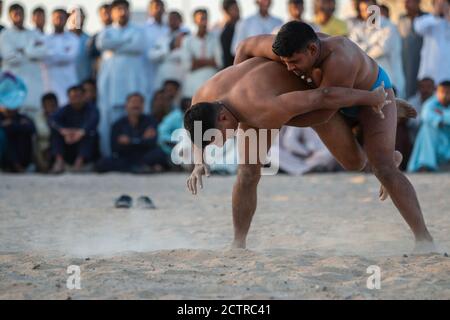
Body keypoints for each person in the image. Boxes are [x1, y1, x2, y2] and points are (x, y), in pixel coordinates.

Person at [216, 21, 435, 251]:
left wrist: (267, 114)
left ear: (312, 50)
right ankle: (238, 242)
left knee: (384, 168)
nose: (289, 68)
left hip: (369, 97)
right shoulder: (279, 46)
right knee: (251, 169)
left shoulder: (341, 57)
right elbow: (243, 48)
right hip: (317, 99)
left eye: (294, 62)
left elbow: (323, 112)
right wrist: (242, 89)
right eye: (285, 62)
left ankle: (424, 239)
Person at [96, 0, 147, 156]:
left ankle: (134, 155)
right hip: (110, 86)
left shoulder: (138, 31)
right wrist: (125, 43)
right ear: (112, 13)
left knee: (133, 118)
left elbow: (137, 46)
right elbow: (101, 44)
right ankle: (109, 154)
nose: (122, 12)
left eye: (125, 9)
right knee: (108, 120)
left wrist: (114, 46)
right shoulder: (106, 31)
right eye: (118, 9)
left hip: (132, 83)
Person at [96, 93, 167, 173]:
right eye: (133, 102)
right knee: (103, 162)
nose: (136, 105)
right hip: (126, 157)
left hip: (144, 155)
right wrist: (141, 140)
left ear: (143, 106)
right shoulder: (118, 124)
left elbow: (152, 142)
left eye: (139, 102)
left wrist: (130, 141)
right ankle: (144, 168)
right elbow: (115, 148)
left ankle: (142, 167)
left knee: (159, 154)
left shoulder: (150, 121)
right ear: (126, 106)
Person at [0, 3, 47, 125]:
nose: (18, 17)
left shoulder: (34, 33)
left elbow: (42, 52)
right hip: (13, 87)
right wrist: (30, 51)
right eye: (15, 14)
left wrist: (21, 50)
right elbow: (11, 58)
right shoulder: (5, 35)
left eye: (20, 13)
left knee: (35, 124)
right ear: (10, 16)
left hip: (34, 87)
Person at [350, 0, 406, 98]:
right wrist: (372, 45)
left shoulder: (389, 27)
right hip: (370, 85)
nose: (367, 13)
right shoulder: (358, 29)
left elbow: (380, 50)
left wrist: (362, 46)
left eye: (370, 9)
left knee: (393, 112)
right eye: (363, 10)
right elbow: (352, 50)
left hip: (392, 83)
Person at [50, 85, 99, 173]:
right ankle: (59, 161)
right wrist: (63, 131)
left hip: (84, 142)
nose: (75, 99)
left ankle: (79, 163)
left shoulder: (91, 109)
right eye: (72, 97)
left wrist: (81, 132)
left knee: (91, 134)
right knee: (56, 134)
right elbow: (52, 120)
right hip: (68, 141)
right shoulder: (64, 109)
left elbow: (93, 121)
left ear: (84, 96)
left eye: (78, 96)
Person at [408, 81, 450, 172]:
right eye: (442, 92)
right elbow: (426, 115)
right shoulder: (431, 103)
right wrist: (442, 119)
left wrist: (441, 118)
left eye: (448, 92)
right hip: (433, 139)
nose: (445, 95)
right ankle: (426, 164)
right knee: (427, 128)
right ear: (437, 92)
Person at [181, 8, 223, 98]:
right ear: (194, 21)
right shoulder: (187, 40)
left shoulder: (215, 38)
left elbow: (219, 62)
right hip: (193, 86)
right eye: (201, 19)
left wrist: (197, 61)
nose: (203, 22)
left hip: (211, 83)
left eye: (205, 18)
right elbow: (188, 65)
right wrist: (210, 61)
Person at [43, 8, 79, 107]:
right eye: (56, 18)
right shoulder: (45, 39)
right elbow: (44, 57)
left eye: (61, 18)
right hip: (50, 82)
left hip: (68, 81)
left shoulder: (73, 38)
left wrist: (52, 55)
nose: (59, 20)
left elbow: (70, 57)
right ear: (51, 19)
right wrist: (62, 54)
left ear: (66, 20)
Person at [271, 126, 337, 175]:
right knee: (272, 151)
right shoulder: (298, 122)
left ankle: (311, 168)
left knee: (328, 152)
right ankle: (304, 170)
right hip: (300, 157)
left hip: (319, 155)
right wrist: (306, 152)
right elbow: (290, 143)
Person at [414, 0, 450, 85]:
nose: (442, 7)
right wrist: (436, 16)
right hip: (429, 73)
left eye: (444, 4)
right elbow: (418, 28)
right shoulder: (428, 19)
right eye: (439, 4)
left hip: (447, 74)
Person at [397, 0, 426, 99]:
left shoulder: (427, 17)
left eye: (410, 1)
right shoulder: (402, 18)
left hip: (423, 61)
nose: (407, 4)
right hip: (406, 61)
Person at [144, 0, 170, 100]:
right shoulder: (144, 29)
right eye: (155, 7)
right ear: (149, 10)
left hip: (166, 71)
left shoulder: (168, 28)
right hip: (149, 71)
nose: (158, 10)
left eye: (161, 7)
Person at [212, 0, 241, 69]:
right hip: (224, 68)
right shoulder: (219, 29)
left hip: (238, 66)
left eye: (237, 8)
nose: (238, 11)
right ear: (226, 11)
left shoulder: (242, 25)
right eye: (234, 9)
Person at [35, 92, 58, 172]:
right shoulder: (39, 116)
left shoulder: (61, 114)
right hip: (43, 145)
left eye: (52, 105)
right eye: (47, 105)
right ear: (43, 106)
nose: (50, 108)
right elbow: (42, 132)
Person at [68, 6, 93, 82]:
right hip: (67, 80)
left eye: (80, 17)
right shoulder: (64, 38)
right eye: (75, 17)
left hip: (84, 80)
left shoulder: (90, 39)